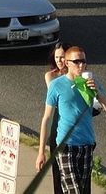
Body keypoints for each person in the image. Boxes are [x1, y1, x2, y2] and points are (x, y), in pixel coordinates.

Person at [36, 46, 106, 193]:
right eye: (76, 62)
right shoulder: (56, 85)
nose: (81, 65)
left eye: (83, 62)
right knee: (75, 191)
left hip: (87, 145)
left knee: (82, 189)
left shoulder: (92, 82)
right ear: (67, 63)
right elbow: (46, 118)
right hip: (65, 146)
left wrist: (97, 93)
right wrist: (41, 151)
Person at [44, 43, 71, 194]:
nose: (59, 60)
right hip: (58, 122)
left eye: (62, 57)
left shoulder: (76, 75)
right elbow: (56, 96)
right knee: (57, 168)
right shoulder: (51, 76)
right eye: (56, 57)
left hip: (73, 126)